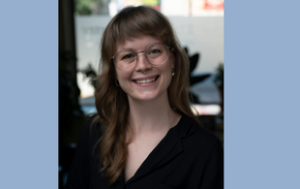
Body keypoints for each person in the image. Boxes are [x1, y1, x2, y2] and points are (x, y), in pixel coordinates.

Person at [65, 6, 223, 189]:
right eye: (128, 56)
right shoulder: (94, 133)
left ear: (172, 59)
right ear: (114, 70)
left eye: (154, 51)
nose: (142, 65)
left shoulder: (205, 149)